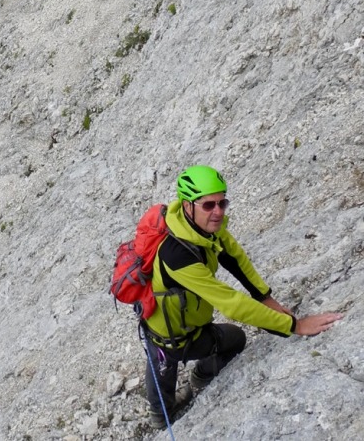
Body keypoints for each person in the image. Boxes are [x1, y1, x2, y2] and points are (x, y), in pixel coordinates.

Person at [142, 164, 344, 429]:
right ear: (187, 205)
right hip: (170, 334)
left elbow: (234, 257)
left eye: (222, 202)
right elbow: (232, 303)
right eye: (209, 205)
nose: (218, 212)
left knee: (228, 341)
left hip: (180, 318)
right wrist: (295, 325)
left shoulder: (202, 228)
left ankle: (196, 380)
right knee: (171, 358)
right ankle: (162, 413)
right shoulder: (176, 255)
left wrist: (264, 297)